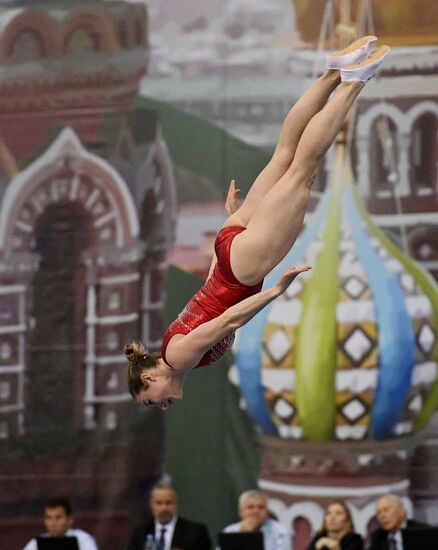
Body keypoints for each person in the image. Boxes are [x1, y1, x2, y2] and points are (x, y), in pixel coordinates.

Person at [124, 37, 391, 410]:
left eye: (149, 399)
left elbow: (229, 317)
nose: (158, 404)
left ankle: (354, 81)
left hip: (244, 269)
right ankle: (334, 71)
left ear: (150, 377)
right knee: (284, 156)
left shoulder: (179, 357)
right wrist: (230, 222)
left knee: (302, 170)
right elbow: (207, 292)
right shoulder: (173, 342)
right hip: (230, 249)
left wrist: (275, 291)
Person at [127, 482, 212, 550]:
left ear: (176, 503)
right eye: (159, 503)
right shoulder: (141, 532)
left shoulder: (195, 532)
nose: (164, 508)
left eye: (168, 503)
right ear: (151, 505)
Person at [222, 489, 290, 550]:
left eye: (261, 507)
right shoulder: (229, 531)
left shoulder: (279, 532)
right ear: (241, 511)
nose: (256, 511)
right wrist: (243, 534)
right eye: (250, 507)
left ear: (267, 512)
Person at [22, 497, 98, 550]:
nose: (53, 523)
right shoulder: (36, 543)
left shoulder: (82, 539)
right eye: (49, 518)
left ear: (69, 519)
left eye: (58, 518)